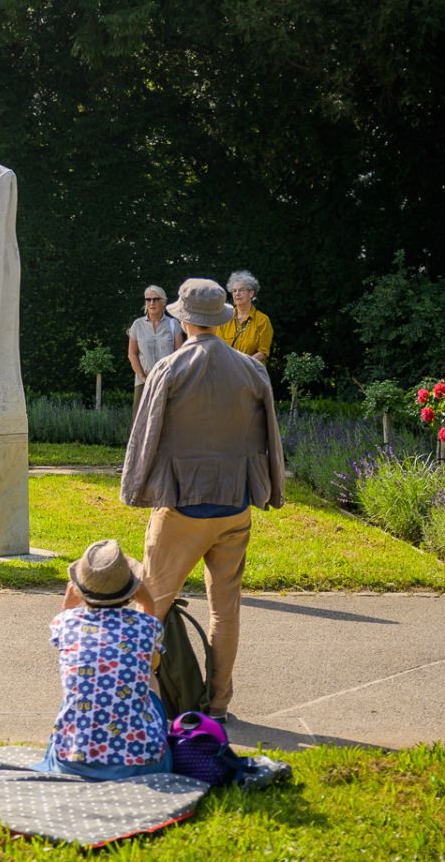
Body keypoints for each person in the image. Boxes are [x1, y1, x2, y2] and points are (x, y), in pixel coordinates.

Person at [123, 278, 286, 723]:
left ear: (182, 316)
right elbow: (268, 436)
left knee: (150, 606)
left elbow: (145, 435)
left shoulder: (170, 368)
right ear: (221, 318)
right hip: (235, 507)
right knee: (225, 611)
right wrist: (269, 488)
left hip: (181, 506)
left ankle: (138, 699)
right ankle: (218, 705)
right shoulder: (251, 371)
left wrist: (136, 487)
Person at [36, 539, 170, 779]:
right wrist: (147, 602)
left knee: (79, 686)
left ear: (77, 587)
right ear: (132, 588)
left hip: (72, 762)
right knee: (149, 677)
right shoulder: (146, 625)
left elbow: (63, 629)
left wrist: (68, 603)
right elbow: (153, 662)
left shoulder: (66, 623)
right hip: (142, 762)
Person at [126, 285, 182, 409]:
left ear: (164, 302)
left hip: (168, 383)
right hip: (143, 383)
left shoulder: (173, 324)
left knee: (168, 423)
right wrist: (143, 378)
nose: (151, 303)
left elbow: (180, 355)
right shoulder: (137, 325)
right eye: (148, 299)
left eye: (156, 299)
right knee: (141, 425)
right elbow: (132, 354)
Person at [217, 270, 272, 366]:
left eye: (241, 290)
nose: (237, 294)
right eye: (234, 291)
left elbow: (263, 352)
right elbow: (218, 348)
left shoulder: (262, 320)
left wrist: (242, 364)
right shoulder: (224, 319)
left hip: (251, 374)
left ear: (251, 293)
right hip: (228, 372)